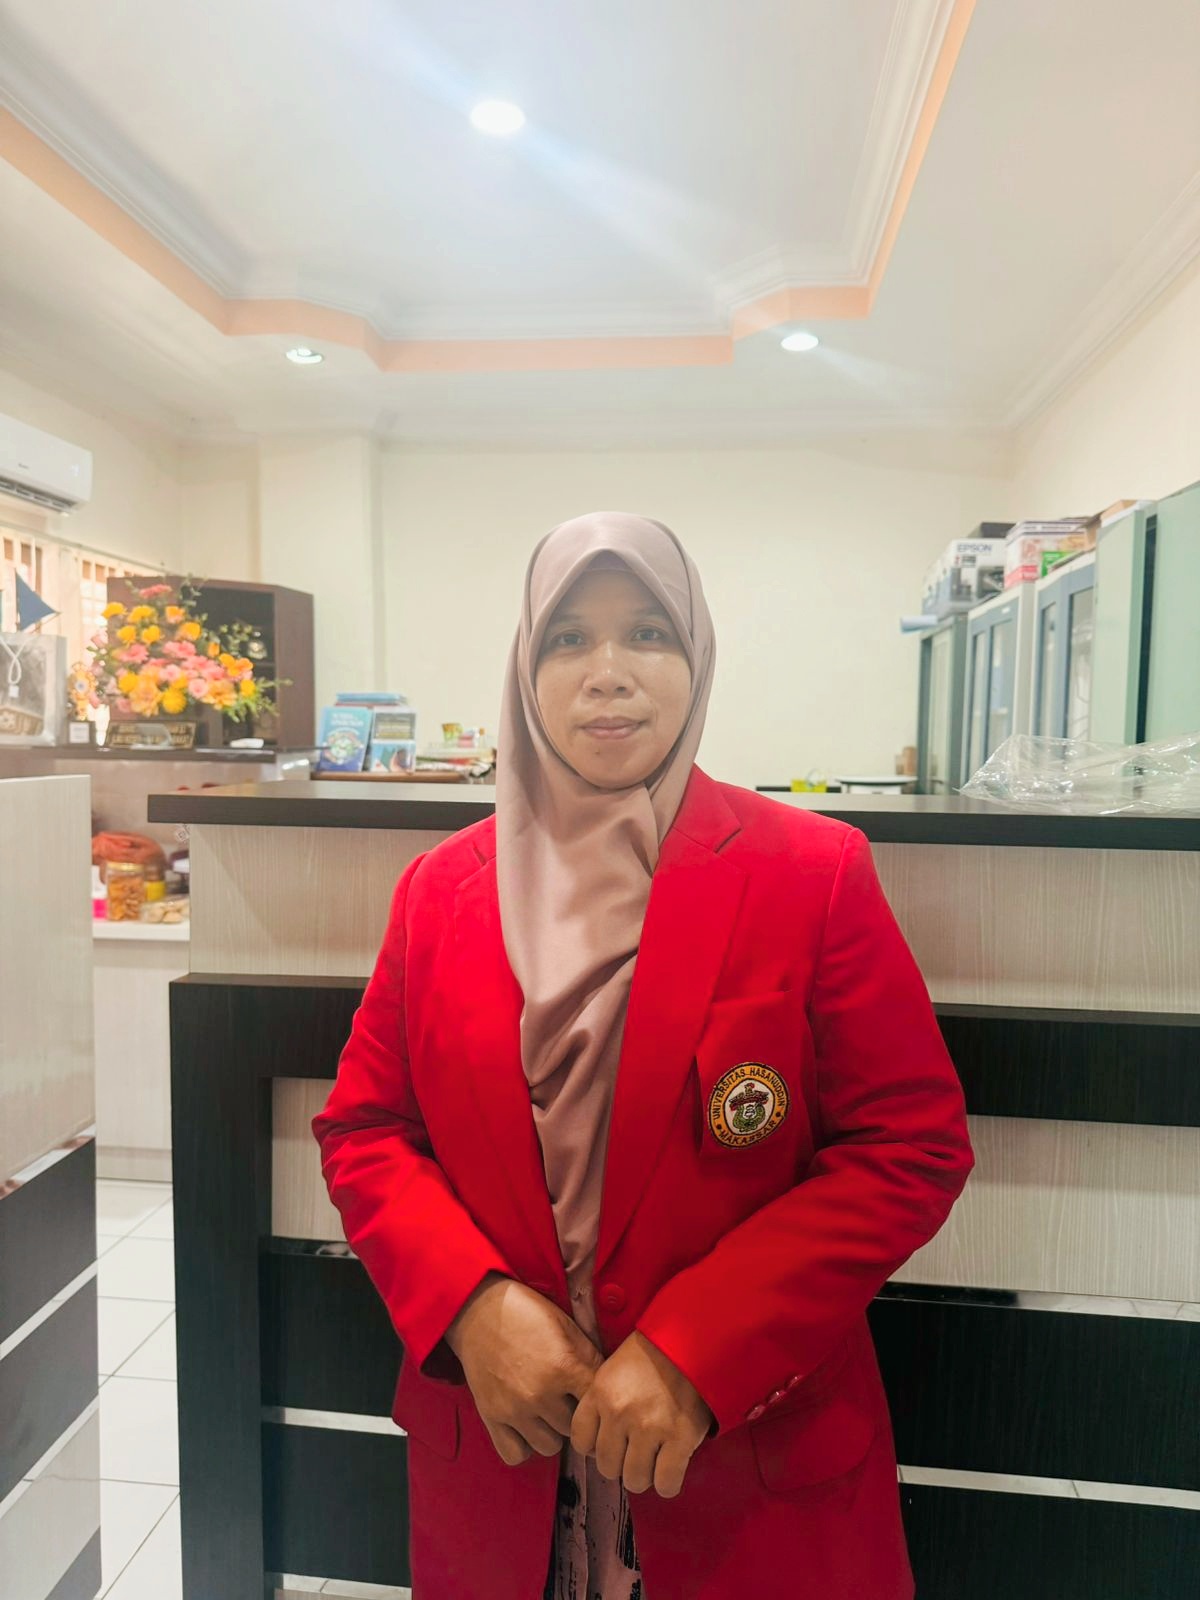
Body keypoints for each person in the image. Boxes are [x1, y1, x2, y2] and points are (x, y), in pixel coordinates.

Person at [312, 511, 974, 1600]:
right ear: (525, 667)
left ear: (697, 655)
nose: (608, 671)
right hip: (503, 1460)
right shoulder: (440, 893)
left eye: (648, 633)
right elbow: (365, 1130)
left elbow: (910, 1146)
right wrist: (471, 1306)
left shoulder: (812, 873)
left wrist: (698, 1349)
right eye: (568, 637)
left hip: (746, 1472)